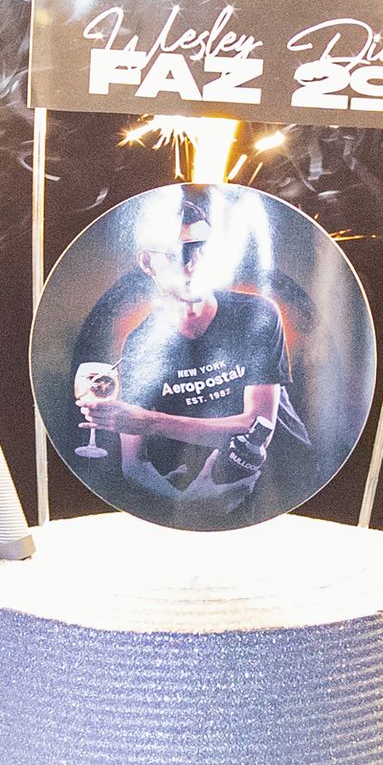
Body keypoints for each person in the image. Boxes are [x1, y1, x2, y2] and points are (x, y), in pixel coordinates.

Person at [96, 187, 305, 527]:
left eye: (201, 249)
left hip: (287, 488)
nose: (192, 264)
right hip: (205, 497)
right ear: (147, 262)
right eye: (176, 254)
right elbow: (133, 465)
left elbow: (258, 428)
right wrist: (186, 502)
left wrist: (149, 421)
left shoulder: (257, 313)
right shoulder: (139, 344)